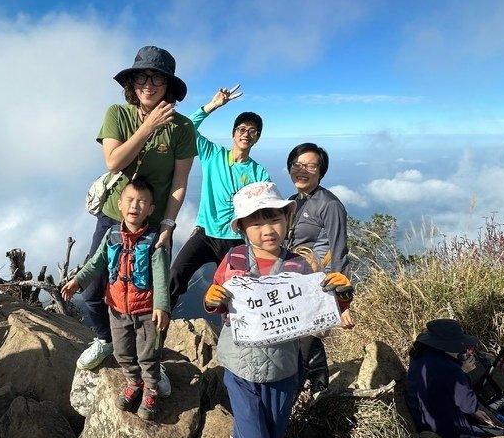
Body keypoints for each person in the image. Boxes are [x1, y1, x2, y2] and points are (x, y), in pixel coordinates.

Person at [197, 181, 351, 438]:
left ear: (287, 217)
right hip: (241, 366)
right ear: (242, 228)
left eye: (274, 218)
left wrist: (341, 294)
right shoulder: (233, 259)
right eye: (255, 221)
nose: (267, 229)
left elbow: (318, 311)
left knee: (274, 437)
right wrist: (212, 299)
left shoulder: (300, 267)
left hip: (284, 367)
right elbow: (217, 304)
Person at [76, 46, 196, 391]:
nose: (148, 83)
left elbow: (179, 182)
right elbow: (113, 162)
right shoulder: (118, 114)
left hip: (154, 222)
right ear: (131, 82)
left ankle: (152, 366)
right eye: (141, 76)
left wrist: (169, 226)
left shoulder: (182, 127)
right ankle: (105, 338)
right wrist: (148, 127)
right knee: (93, 291)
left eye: (157, 77)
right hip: (113, 217)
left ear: (168, 84)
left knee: (156, 298)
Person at [62, 177, 171, 421]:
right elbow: (96, 263)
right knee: (122, 352)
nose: (135, 206)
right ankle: (134, 382)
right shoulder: (111, 235)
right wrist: (78, 281)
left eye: (142, 202)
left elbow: (162, 275)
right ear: (119, 205)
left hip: (146, 310)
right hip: (117, 309)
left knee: (148, 354)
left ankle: (151, 390)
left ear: (151, 210)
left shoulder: (154, 240)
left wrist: (162, 307)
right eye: (130, 200)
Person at [168, 84, 270, 311]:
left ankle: (235, 336)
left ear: (257, 138)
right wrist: (212, 106)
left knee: (235, 292)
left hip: (235, 240)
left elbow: (266, 208)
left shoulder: (259, 173)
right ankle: (158, 330)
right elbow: (187, 127)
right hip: (204, 234)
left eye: (252, 131)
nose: (246, 133)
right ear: (233, 133)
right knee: (175, 275)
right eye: (242, 129)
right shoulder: (213, 155)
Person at [285, 143, 355, 392]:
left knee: (307, 338)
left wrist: (343, 301)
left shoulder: (329, 205)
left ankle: (319, 388)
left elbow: (339, 252)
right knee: (297, 337)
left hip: (318, 283)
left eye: (310, 165)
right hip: (295, 283)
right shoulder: (293, 201)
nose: (302, 170)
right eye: (297, 164)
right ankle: (313, 385)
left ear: (321, 171)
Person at [404, 319, 504, 438]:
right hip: (447, 430)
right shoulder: (451, 370)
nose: (463, 350)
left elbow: (441, 385)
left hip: (421, 418)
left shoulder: (419, 355)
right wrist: (463, 372)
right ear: (449, 346)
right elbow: (470, 406)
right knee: (501, 434)